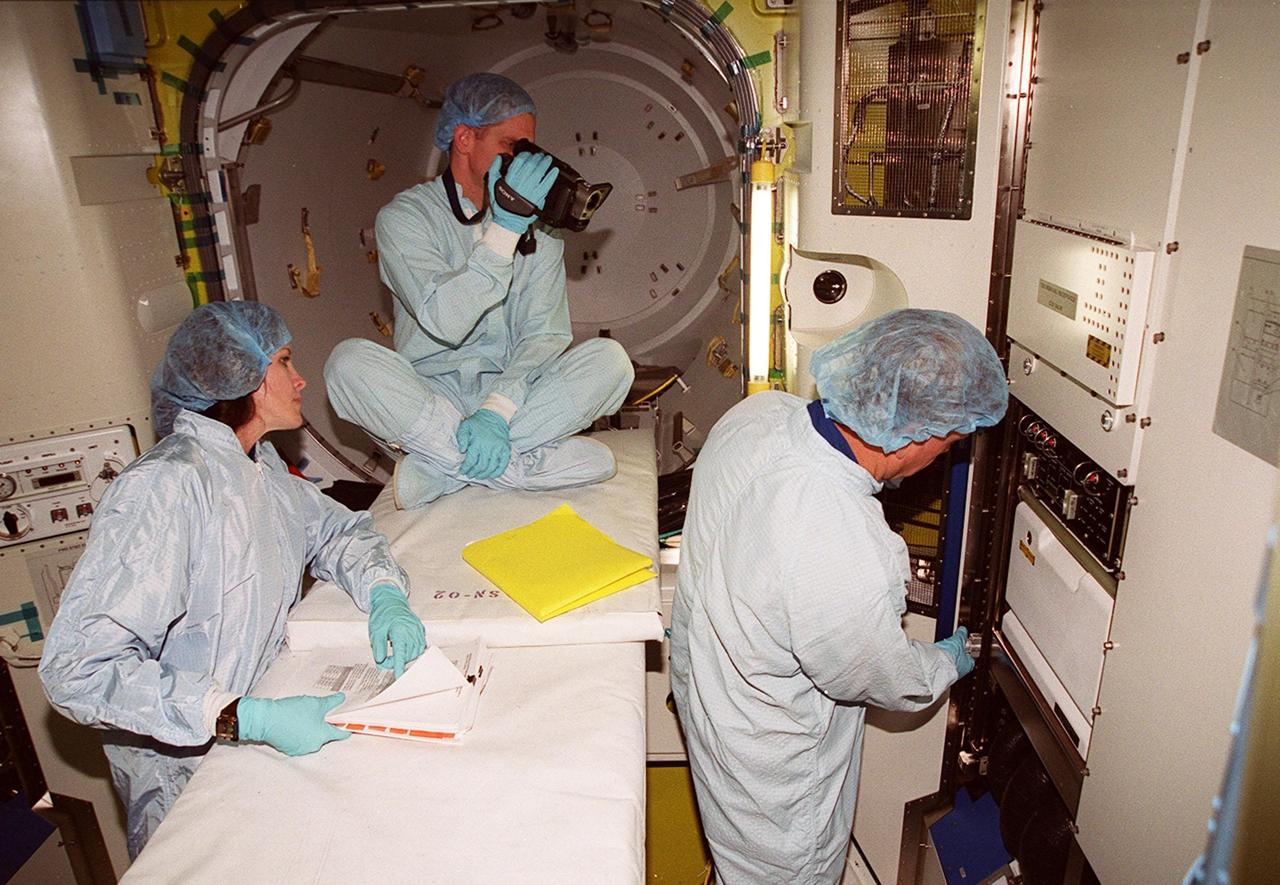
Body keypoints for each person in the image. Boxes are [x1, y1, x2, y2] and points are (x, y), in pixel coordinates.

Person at [39, 301, 427, 859]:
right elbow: (79, 670)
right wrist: (242, 715)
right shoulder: (167, 488)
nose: (300, 379)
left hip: (256, 745)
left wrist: (384, 592)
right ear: (243, 376)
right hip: (185, 773)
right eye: (285, 362)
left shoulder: (257, 466)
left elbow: (338, 533)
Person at [669, 309, 1008, 883]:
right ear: (915, 436)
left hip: (714, 695)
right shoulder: (840, 538)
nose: (944, 457)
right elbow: (879, 677)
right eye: (950, 443)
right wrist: (949, 658)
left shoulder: (761, 414)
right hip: (774, 770)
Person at [324, 72, 635, 508]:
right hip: (430, 399)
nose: (523, 161)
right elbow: (444, 321)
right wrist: (504, 231)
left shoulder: (540, 230)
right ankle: (518, 466)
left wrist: (498, 408)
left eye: (530, 148)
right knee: (347, 364)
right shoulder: (404, 219)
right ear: (465, 138)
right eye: (512, 147)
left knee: (612, 363)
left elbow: (543, 336)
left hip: (513, 398)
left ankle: (444, 467)